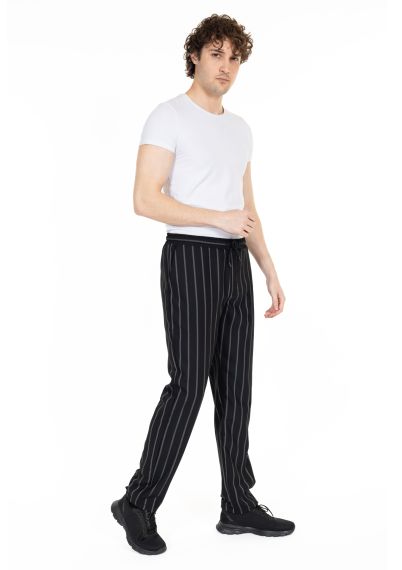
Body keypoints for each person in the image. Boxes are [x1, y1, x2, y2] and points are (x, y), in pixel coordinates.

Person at [111, 14, 295, 555]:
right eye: (217, 54)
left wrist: (268, 267)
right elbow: (145, 199)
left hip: (236, 262)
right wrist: (217, 219)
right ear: (195, 55)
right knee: (188, 384)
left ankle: (237, 502)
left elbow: (247, 207)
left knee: (237, 388)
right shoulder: (168, 116)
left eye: (235, 57)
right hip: (190, 257)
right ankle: (137, 503)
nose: (227, 66)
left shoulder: (240, 129)